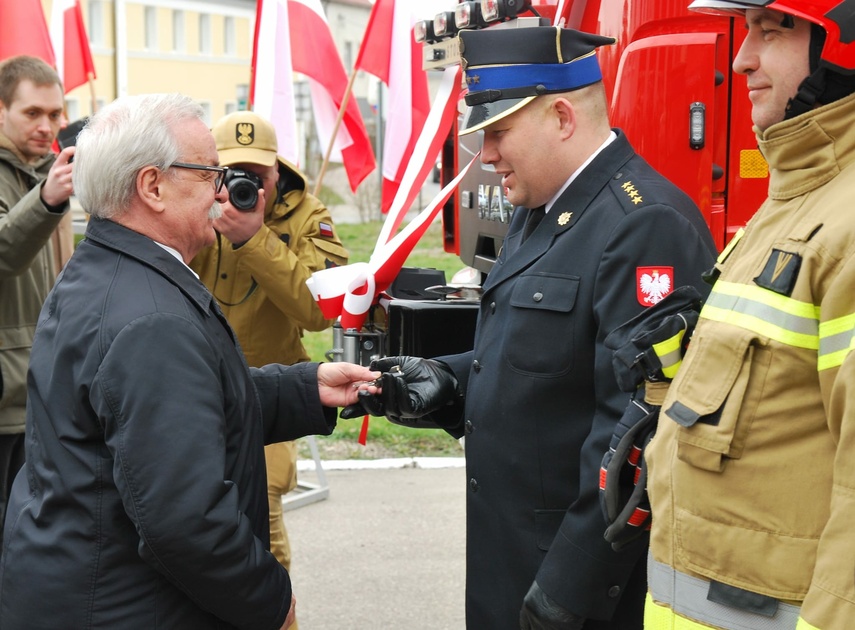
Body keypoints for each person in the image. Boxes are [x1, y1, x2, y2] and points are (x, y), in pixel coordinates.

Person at [343, 26, 718, 630]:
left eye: (497, 132)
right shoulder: (539, 210)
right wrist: (446, 381)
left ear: (563, 116)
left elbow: (638, 429)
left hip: (572, 587)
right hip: (509, 564)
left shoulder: (644, 224)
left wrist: (568, 592)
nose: (485, 155)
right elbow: (537, 356)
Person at [0, 92, 377, 630]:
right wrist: (269, 598)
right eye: (208, 173)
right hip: (121, 605)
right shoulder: (150, 318)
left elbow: (183, 407)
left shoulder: (108, 268)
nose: (224, 191)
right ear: (152, 187)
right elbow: (185, 521)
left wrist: (303, 387)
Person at [644, 2, 855, 629]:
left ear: (839, 45)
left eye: (772, 30)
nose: (741, 58)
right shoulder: (795, 199)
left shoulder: (843, 223)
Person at [191, 110, 349, 630]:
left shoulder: (307, 216)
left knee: (262, 520)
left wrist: (254, 238)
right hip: (194, 382)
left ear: (277, 171)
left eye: (256, 176)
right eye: (232, 173)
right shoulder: (195, 203)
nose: (245, 185)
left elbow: (318, 311)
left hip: (273, 388)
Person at [0, 55, 75, 553]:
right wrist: (47, 200)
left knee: (28, 543)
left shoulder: (47, 172)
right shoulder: (45, 185)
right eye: (32, 113)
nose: (46, 126)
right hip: (4, 402)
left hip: (40, 394)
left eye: (54, 114)